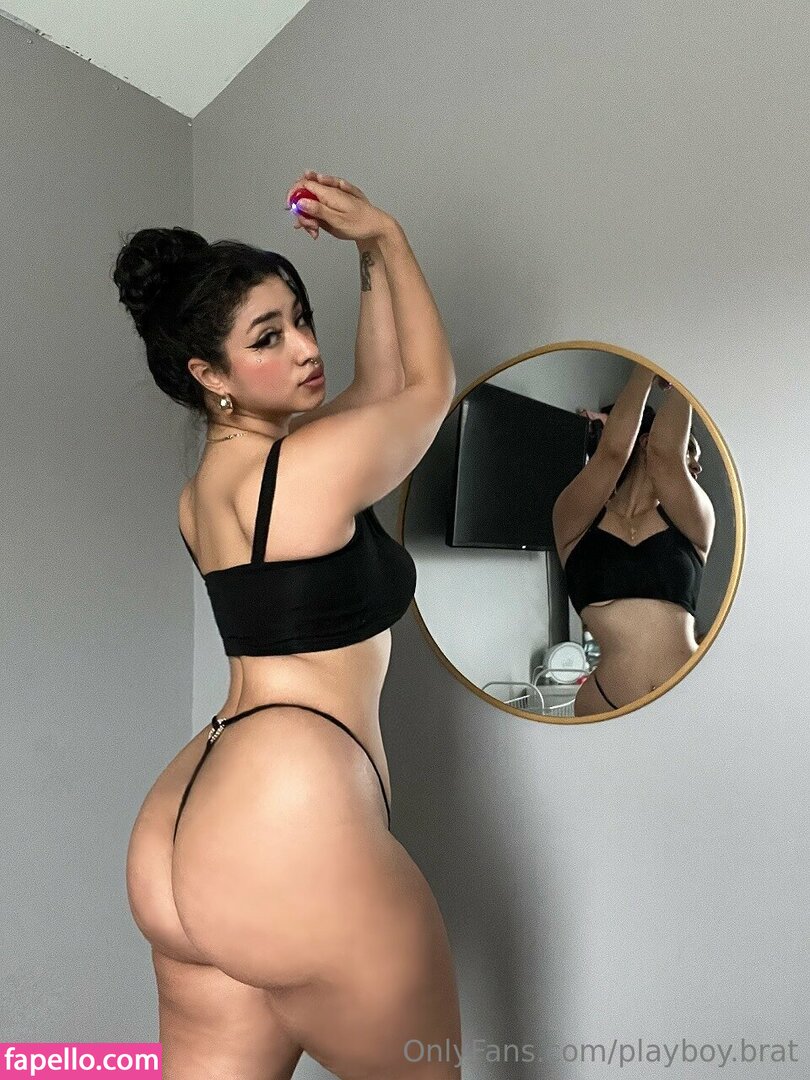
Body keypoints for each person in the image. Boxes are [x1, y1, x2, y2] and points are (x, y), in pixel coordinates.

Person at [116, 172, 462, 1078]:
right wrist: (387, 235)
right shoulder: (307, 470)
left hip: (183, 824)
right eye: (269, 337)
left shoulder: (207, 493)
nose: (307, 347)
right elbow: (423, 386)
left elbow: (375, 383)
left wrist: (366, 262)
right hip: (286, 813)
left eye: (301, 319)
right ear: (209, 375)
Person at [553, 365, 715, 717]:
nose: (697, 468)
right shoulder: (573, 522)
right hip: (604, 703)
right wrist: (645, 370)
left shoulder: (695, 520)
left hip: (693, 696)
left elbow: (666, 458)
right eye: (691, 452)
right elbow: (612, 453)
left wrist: (678, 376)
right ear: (645, 442)